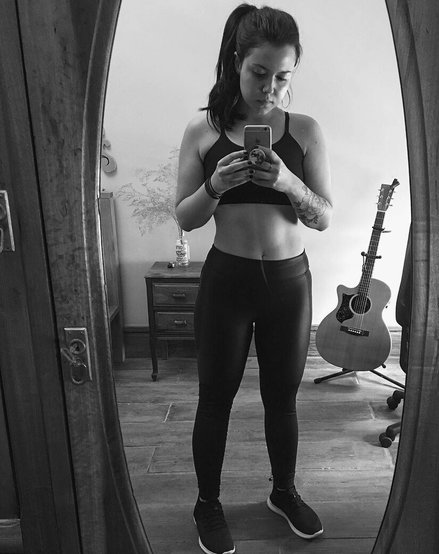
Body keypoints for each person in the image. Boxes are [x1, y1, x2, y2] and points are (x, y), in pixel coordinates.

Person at [175, 4, 332, 553]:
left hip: (289, 283)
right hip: (227, 281)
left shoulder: (305, 131)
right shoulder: (204, 130)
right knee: (214, 399)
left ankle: (283, 492)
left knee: (282, 399)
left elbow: (322, 217)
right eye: (259, 73)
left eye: (283, 77)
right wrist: (215, 186)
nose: (270, 89)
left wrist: (288, 182)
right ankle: (207, 503)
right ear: (237, 62)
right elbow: (185, 218)